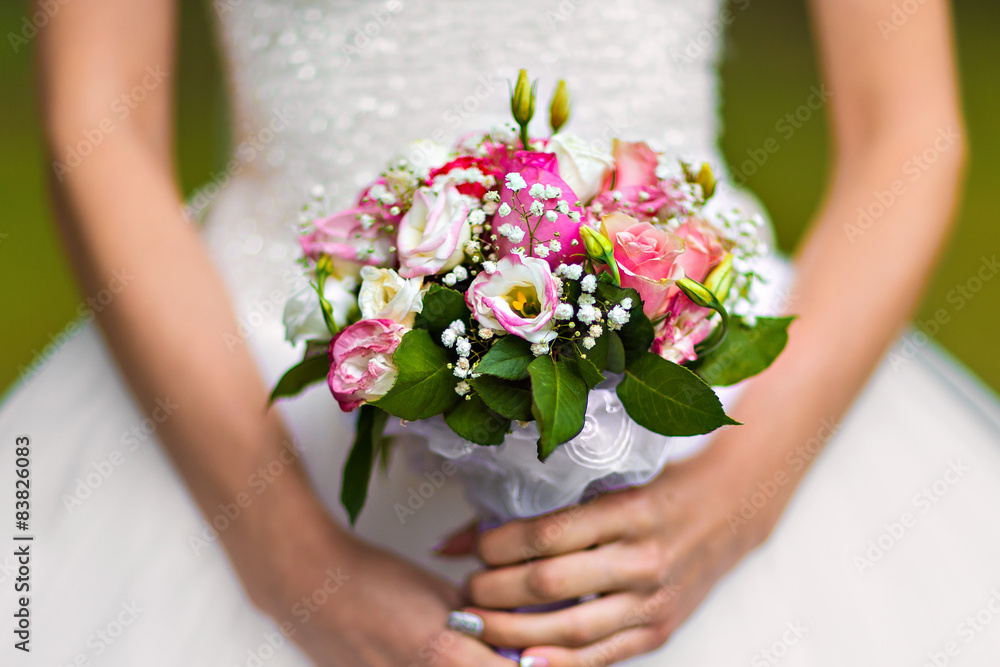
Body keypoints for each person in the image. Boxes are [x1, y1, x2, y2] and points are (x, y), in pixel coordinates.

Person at [2, 0, 998, 665]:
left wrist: (738, 501)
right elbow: (97, 126)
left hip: (718, 423)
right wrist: (290, 562)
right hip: (243, 406)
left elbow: (904, 130)